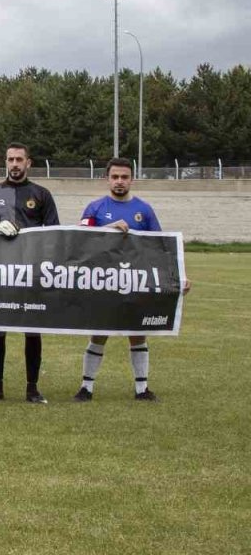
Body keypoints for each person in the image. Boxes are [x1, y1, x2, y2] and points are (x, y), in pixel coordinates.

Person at [73, 158, 191, 402]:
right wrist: (109, 229)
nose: (119, 181)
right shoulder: (95, 208)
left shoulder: (144, 210)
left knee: (138, 332)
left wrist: (179, 277)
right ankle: (86, 387)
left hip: (135, 281)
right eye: (115, 177)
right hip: (104, 281)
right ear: (107, 179)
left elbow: (160, 247)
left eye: (124, 177)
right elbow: (81, 240)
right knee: (99, 333)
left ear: (132, 180)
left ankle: (142, 389)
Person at [0, 142, 59, 404]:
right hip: (0, 272)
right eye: (10, 159)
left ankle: (32, 389)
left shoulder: (42, 194)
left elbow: (54, 231)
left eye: (19, 159)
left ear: (28, 163)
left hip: (30, 272)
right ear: (6, 162)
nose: (15, 164)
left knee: (32, 330)